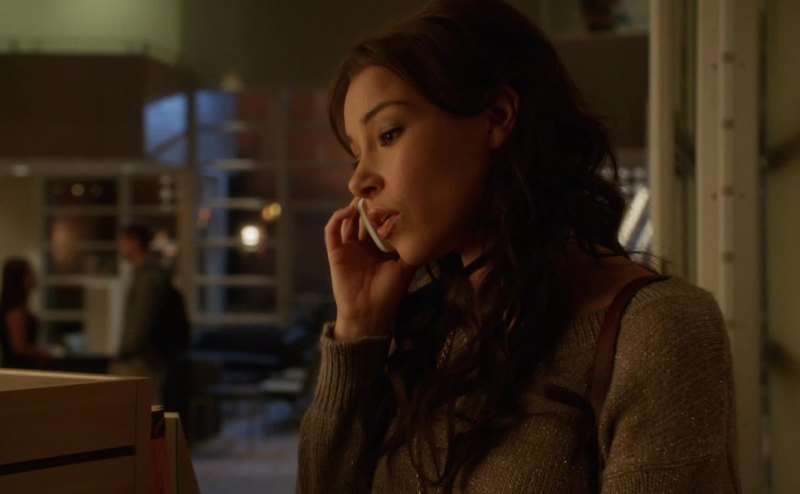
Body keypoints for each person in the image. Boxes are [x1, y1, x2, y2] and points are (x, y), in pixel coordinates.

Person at [297, 1, 740, 493]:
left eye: (389, 134)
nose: (359, 181)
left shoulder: (658, 329)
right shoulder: (429, 332)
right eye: (356, 155)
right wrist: (359, 330)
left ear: (497, 117)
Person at [110, 224, 173, 404]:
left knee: (145, 406)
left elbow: (141, 320)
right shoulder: (146, 274)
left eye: (123, 241)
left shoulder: (148, 278)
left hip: (143, 359)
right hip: (147, 356)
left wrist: (125, 351)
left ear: (135, 242)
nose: (120, 246)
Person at [0, 258, 57, 369]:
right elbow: (19, 348)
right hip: (18, 369)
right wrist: (44, 352)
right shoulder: (15, 310)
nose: (35, 277)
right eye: (30, 273)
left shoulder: (19, 307)